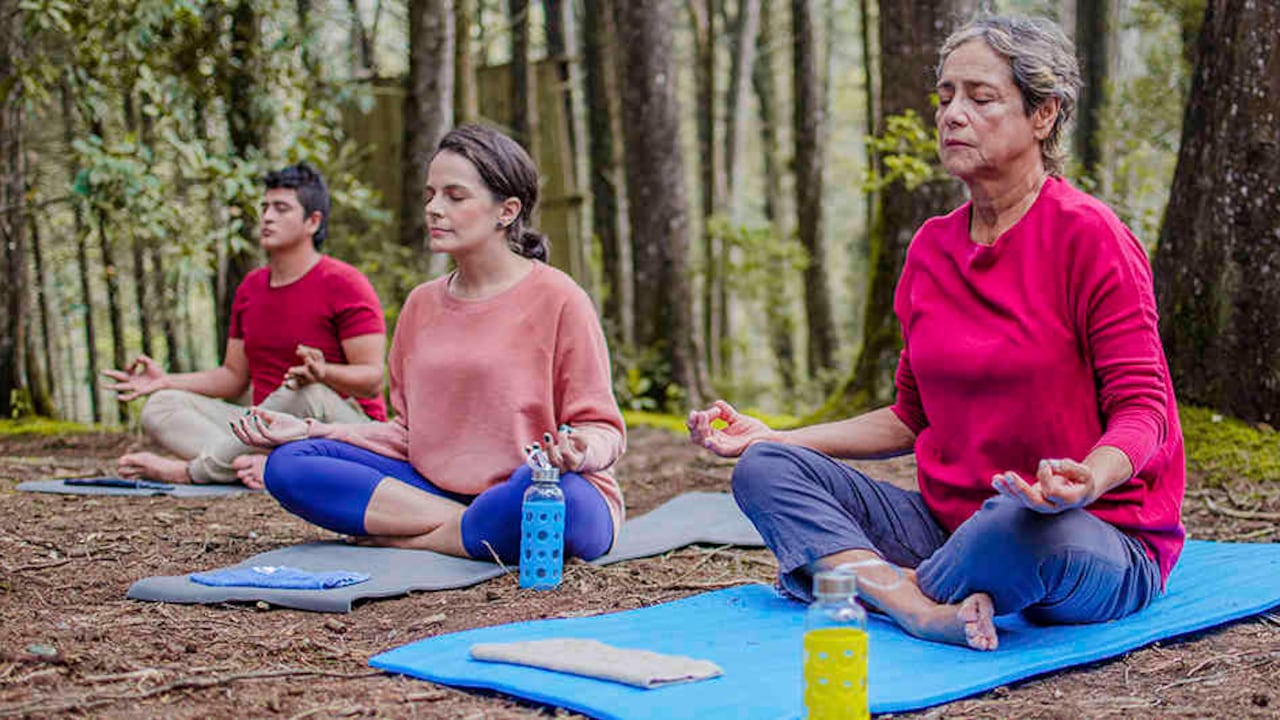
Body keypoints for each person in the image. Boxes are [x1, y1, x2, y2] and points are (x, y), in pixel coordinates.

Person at [688, 15, 1185, 651]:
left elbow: (1146, 411)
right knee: (766, 468)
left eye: (980, 98)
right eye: (945, 96)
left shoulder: (1090, 237)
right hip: (947, 525)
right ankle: (916, 607)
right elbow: (909, 416)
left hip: (1086, 531)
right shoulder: (931, 248)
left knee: (1014, 523)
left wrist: (1087, 479)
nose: (952, 114)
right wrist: (779, 435)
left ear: (1044, 115)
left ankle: (870, 585)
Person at [229, 124, 624, 564]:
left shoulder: (560, 298)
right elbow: (407, 434)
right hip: (433, 487)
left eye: (455, 197)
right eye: (430, 195)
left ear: (507, 211)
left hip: (534, 486)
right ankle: (464, 528)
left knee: (554, 502)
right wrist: (310, 430)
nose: (434, 209)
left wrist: (581, 449)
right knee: (290, 465)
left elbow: (603, 428)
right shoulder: (420, 305)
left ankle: (422, 535)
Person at [104, 163, 388, 486]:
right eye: (265, 207)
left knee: (302, 391)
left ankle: (195, 471)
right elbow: (232, 378)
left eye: (281, 208)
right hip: (262, 426)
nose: (267, 217)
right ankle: (254, 463)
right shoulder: (251, 288)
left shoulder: (345, 283)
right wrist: (166, 381)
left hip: (342, 429)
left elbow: (371, 380)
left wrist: (323, 373)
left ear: (313, 222)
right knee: (161, 406)